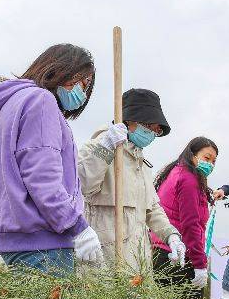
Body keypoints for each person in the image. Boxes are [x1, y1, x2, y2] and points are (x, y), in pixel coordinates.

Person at [0, 44, 103, 276]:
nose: (82, 92)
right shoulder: (42, 100)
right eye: (81, 82)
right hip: (44, 242)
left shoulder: (11, 104)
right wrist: (76, 225)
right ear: (59, 69)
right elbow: (42, 178)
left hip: (15, 240)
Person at [77, 88, 183, 271]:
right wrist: (106, 148)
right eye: (149, 125)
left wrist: (171, 235)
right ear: (129, 120)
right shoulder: (97, 148)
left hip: (137, 266)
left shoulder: (141, 164)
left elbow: (152, 209)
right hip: (104, 265)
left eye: (156, 130)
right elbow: (83, 186)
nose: (151, 133)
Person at [151, 137, 218, 299]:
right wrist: (199, 264)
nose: (210, 164)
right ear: (193, 154)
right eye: (207, 157)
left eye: (214, 161)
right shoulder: (189, 180)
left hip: (163, 253)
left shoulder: (177, 172)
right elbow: (190, 225)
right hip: (179, 258)